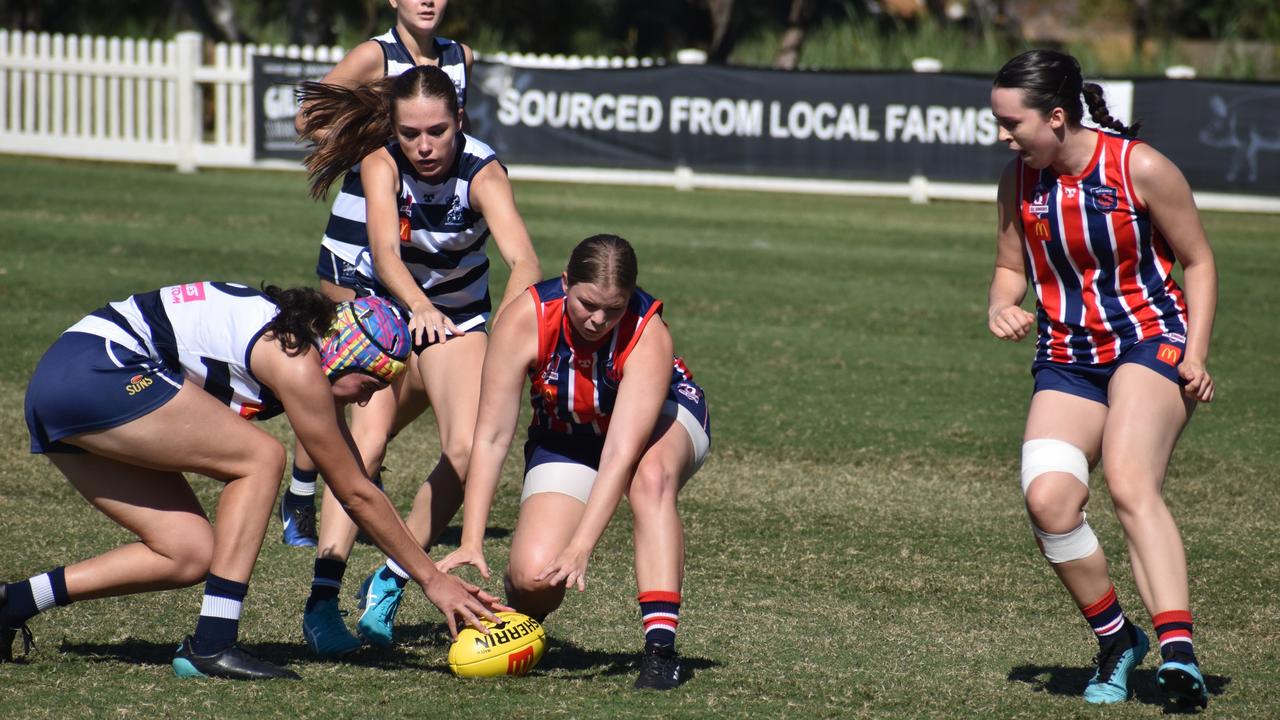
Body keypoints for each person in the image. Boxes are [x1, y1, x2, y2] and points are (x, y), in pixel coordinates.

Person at [1, 283, 507, 679]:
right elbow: (354, 491)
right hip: (96, 371)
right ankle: (213, 643)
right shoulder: (299, 362)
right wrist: (433, 581)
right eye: (371, 384)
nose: (365, 400)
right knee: (261, 458)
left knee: (188, 553)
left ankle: (14, 602)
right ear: (347, 355)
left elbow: (355, 480)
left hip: (67, 382)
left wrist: (426, 574)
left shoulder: (308, 342)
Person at [987, 50, 1216, 709]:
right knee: (1049, 502)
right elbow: (1010, 267)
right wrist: (1003, 305)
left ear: (1056, 117)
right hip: (1067, 357)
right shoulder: (1018, 179)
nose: (1003, 136)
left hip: (1152, 342)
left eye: (1012, 123)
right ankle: (1117, 640)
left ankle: (1179, 656)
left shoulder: (1136, 167)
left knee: (1128, 479)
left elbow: (1198, 264)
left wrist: (1194, 354)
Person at [292, 64, 541, 656]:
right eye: (411, 134)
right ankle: (322, 602)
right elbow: (383, 250)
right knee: (364, 448)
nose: (425, 146)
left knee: (463, 449)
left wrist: (502, 336)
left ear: (458, 122)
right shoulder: (382, 162)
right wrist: (418, 307)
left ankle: (392, 578)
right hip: (388, 315)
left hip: (461, 323)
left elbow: (524, 263)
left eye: (437, 131)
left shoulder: (484, 171)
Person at [437, 234, 712, 691]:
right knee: (533, 577)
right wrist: (471, 539)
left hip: (661, 422)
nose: (599, 319)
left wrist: (582, 544)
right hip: (568, 434)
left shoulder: (648, 333)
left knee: (650, 480)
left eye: (615, 308)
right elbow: (490, 436)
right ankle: (527, 621)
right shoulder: (525, 318)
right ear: (565, 283)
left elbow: (622, 454)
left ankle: (661, 652)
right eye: (587, 304)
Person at [282, 0, 473, 546]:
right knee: (342, 382)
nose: (428, 2)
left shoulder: (461, 58)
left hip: (413, 251)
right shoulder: (374, 55)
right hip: (355, 248)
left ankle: (354, 481)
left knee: (381, 384)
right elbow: (305, 120)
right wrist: (370, 135)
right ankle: (301, 493)